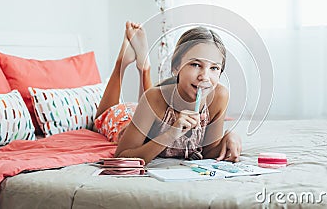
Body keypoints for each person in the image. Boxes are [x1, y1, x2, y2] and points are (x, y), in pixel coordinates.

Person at [94, 22, 242, 164]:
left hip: (148, 110)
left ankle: (144, 66)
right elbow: (120, 156)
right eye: (195, 64)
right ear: (177, 66)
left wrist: (228, 138)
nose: (204, 77)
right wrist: (170, 134)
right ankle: (124, 63)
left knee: (151, 100)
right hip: (124, 119)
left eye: (214, 68)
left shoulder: (219, 96)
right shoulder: (153, 99)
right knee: (101, 118)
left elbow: (209, 152)